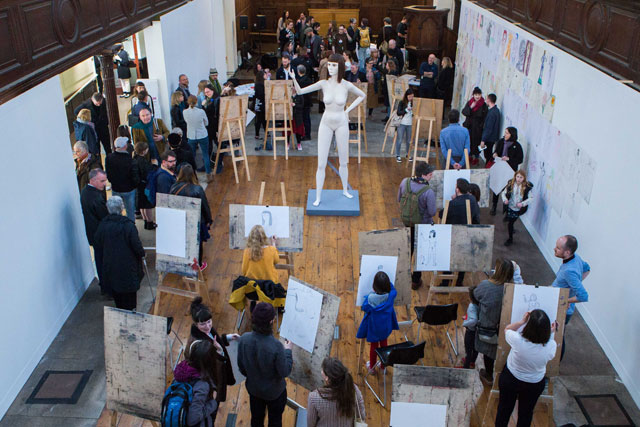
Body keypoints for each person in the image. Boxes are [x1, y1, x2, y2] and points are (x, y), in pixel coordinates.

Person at [289, 54, 365, 206]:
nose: (330, 68)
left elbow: (362, 95)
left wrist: (348, 110)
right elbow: (301, 91)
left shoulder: (346, 85)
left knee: (344, 161)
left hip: (342, 123)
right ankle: (318, 196)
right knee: (321, 163)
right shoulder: (323, 83)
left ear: (341, 67)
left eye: (334, 65)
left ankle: (345, 189)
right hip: (326, 123)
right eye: (329, 65)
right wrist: (293, 78)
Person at [495, 310, 557, 427]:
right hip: (534, 383)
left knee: (504, 410)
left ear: (528, 326)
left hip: (511, 379)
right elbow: (546, 348)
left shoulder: (517, 339)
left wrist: (521, 321)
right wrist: (551, 332)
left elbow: (507, 329)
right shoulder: (551, 345)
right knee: (526, 414)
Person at [237, 302, 293, 427]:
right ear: (271, 321)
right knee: (275, 421)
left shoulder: (244, 339)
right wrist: (288, 351)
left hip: (254, 390)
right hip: (274, 394)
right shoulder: (277, 347)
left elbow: (241, 367)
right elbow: (285, 371)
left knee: (256, 420)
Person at [94, 196, 145, 310]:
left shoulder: (103, 225)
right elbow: (136, 245)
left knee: (117, 296)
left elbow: (98, 243)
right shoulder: (128, 225)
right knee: (130, 298)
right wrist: (142, 253)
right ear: (122, 208)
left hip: (112, 266)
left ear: (108, 209)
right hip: (128, 266)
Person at [186, 297, 239, 404]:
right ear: (196, 324)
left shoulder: (206, 331)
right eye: (202, 324)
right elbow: (209, 369)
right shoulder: (201, 346)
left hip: (215, 377)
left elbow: (214, 341)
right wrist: (220, 353)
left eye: (209, 321)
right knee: (213, 404)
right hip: (212, 383)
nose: (207, 326)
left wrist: (227, 338)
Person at [474, 258, 514, 385]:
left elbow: (476, 294)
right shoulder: (512, 288)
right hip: (506, 327)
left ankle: (488, 376)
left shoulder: (486, 285)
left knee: (488, 352)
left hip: (488, 326)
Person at [397, 163, 436, 289]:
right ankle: (415, 280)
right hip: (422, 226)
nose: (431, 176)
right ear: (423, 175)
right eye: (430, 174)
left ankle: (403, 275)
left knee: (408, 249)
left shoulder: (405, 182)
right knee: (421, 253)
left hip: (407, 222)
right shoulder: (428, 191)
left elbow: (399, 199)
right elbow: (432, 212)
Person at [552, 235, 590, 360]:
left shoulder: (569, 271)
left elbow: (583, 296)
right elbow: (587, 268)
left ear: (567, 252)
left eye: (558, 248)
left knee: (558, 335)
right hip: (560, 302)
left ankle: (555, 363)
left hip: (562, 309)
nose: (554, 249)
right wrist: (573, 289)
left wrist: (566, 299)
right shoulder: (576, 258)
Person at [170, 165, 212, 270]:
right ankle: (198, 264)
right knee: (198, 243)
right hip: (196, 220)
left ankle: (186, 261)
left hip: (181, 219)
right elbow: (205, 206)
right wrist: (208, 220)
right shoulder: (198, 189)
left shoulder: (174, 187)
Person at [356, 271, 399, 373]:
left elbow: (364, 307)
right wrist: (387, 284)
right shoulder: (391, 296)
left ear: (374, 287)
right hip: (386, 328)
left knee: (374, 348)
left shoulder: (370, 299)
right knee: (384, 345)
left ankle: (372, 367)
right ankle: (383, 367)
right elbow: (393, 289)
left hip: (374, 329)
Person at [307, 357, 366, 427]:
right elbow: (361, 416)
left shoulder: (314, 398)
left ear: (327, 378)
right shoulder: (354, 389)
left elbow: (311, 424)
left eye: (323, 369)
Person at [173, 340, 220, 427]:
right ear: (210, 361)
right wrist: (213, 403)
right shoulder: (202, 385)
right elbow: (192, 419)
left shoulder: (180, 371)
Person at [80, 168, 109, 292]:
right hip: (100, 235)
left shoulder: (85, 192)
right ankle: (106, 287)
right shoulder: (96, 197)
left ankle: (104, 285)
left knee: (100, 259)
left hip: (93, 233)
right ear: (93, 180)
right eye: (102, 181)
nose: (105, 184)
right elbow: (104, 216)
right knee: (104, 262)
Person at [490, 127, 524, 215]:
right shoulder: (501, 142)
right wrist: (495, 154)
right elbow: (496, 151)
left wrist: (509, 159)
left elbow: (520, 159)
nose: (505, 135)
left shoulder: (517, 146)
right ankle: (494, 206)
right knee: (497, 187)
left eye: (507, 133)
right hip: (500, 168)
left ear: (512, 135)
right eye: (505, 133)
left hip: (510, 171)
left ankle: (505, 209)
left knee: (508, 190)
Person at [105, 137, 139, 221]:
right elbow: (135, 177)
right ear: (125, 146)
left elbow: (108, 174)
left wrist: (112, 182)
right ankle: (131, 229)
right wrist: (135, 185)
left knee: (116, 211)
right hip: (129, 190)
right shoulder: (130, 160)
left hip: (116, 188)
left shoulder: (109, 158)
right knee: (130, 211)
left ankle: (119, 228)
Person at [183, 95, 212, 179]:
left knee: (192, 156)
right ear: (196, 102)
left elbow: (186, 121)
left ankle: (193, 175)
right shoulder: (201, 111)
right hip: (202, 134)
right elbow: (206, 123)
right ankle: (208, 174)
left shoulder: (185, 112)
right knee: (205, 154)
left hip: (191, 136)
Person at [501, 170, 534, 246]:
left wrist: (522, 204)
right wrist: (505, 199)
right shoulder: (511, 184)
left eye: (521, 177)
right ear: (515, 176)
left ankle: (511, 230)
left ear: (524, 178)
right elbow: (503, 193)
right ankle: (510, 237)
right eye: (517, 177)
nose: (519, 179)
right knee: (510, 222)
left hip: (518, 209)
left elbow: (531, 198)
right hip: (510, 206)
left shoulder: (526, 187)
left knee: (512, 221)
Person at [133, 142, 157, 230]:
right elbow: (148, 173)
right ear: (143, 151)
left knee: (142, 205)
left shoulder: (135, 159)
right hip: (145, 186)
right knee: (148, 206)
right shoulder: (143, 161)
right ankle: (150, 222)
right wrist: (154, 165)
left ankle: (146, 221)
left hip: (139, 186)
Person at [462, 87, 489, 165]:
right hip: (469, 126)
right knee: (469, 141)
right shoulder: (470, 102)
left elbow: (485, 117)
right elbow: (464, 112)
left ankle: (476, 157)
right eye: (476, 95)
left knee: (477, 142)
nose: (477, 96)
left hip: (478, 128)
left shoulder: (483, 105)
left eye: (479, 94)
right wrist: (471, 107)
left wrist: (481, 126)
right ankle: (469, 156)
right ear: (473, 95)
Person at [459, 286, 480, 369]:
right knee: (475, 349)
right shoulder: (481, 304)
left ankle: (466, 366)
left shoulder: (472, 306)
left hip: (470, 331)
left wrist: (465, 323)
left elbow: (473, 320)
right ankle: (472, 362)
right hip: (478, 331)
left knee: (468, 350)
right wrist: (467, 317)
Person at [480, 93, 501, 163]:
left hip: (489, 139)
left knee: (488, 155)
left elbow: (488, 128)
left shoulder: (491, 113)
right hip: (493, 138)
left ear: (489, 100)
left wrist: (483, 140)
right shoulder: (496, 111)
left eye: (486, 99)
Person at [395, 88, 414, 162]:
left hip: (410, 123)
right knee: (399, 139)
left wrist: (412, 112)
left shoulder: (413, 103)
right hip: (402, 123)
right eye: (410, 97)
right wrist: (406, 110)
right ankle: (398, 155)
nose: (411, 98)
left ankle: (408, 154)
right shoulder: (402, 102)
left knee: (409, 140)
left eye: (412, 96)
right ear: (406, 96)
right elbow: (398, 112)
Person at [296, 65, 313, 142]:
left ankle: (305, 134)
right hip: (308, 101)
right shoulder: (308, 80)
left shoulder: (300, 81)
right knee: (307, 119)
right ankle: (307, 134)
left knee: (303, 119)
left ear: (298, 72)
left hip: (303, 102)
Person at [253, 70, 267, 144]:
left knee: (261, 119)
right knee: (260, 119)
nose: (266, 76)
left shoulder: (259, 84)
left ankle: (261, 133)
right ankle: (258, 133)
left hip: (259, 104)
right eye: (265, 75)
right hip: (260, 104)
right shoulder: (260, 85)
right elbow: (261, 94)